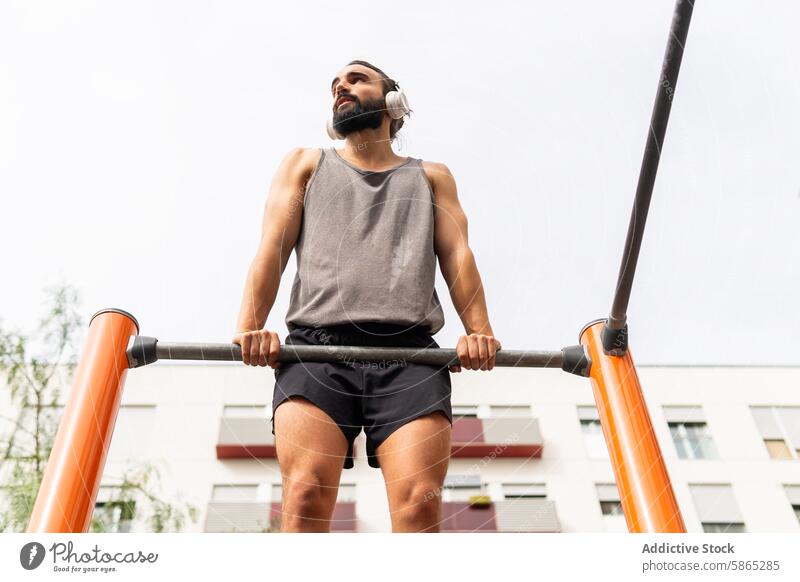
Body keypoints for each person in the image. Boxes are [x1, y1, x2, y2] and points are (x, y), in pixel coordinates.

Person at [232, 60, 501, 532]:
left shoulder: (432, 176)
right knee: (306, 492)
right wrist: (248, 327)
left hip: (410, 355)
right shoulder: (306, 164)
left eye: (357, 79)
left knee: (419, 502)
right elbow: (272, 249)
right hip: (316, 348)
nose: (342, 87)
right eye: (336, 84)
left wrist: (480, 333)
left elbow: (458, 255)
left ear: (393, 101)